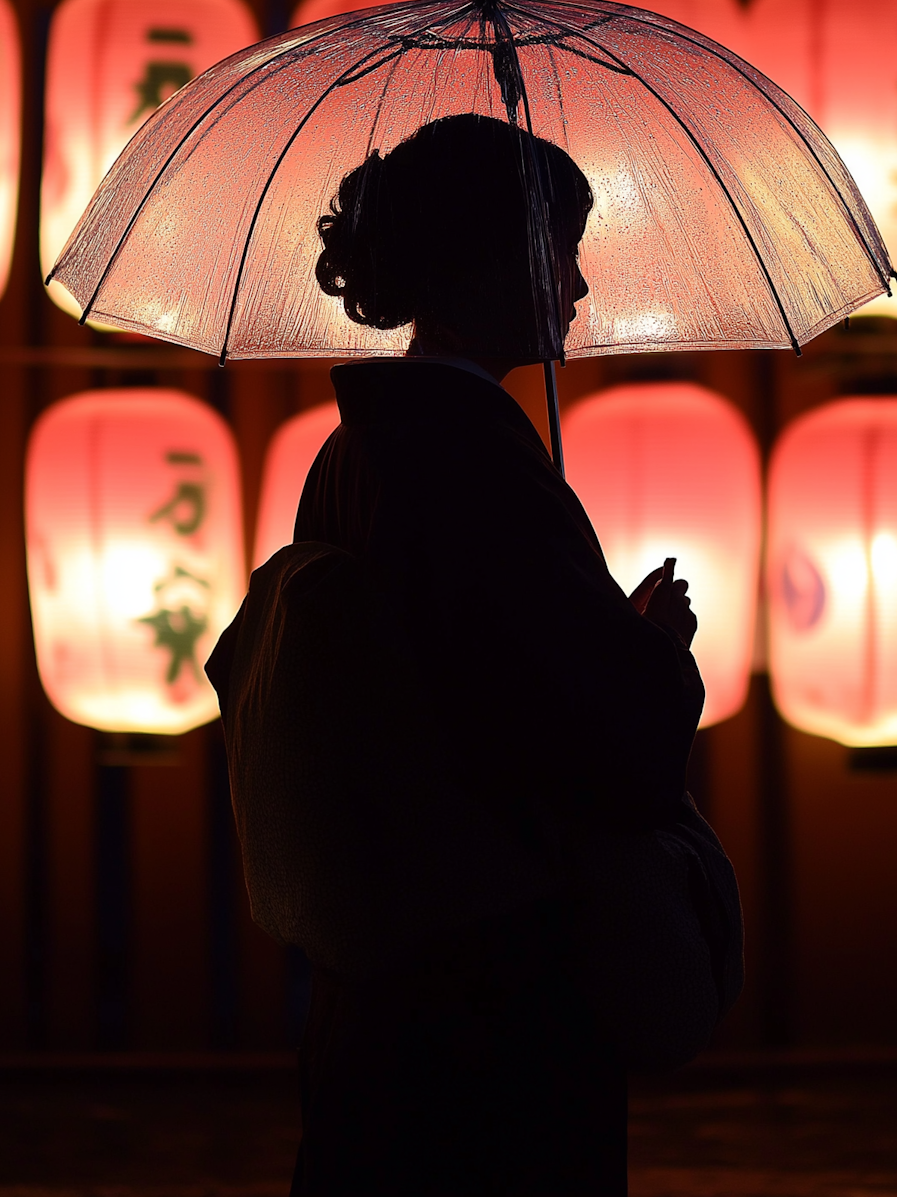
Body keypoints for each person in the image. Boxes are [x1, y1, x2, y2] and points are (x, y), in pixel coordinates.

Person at [287, 112, 705, 1196]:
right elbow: (578, 728)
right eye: (560, 250)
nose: (576, 288)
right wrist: (654, 652)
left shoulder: (369, 445)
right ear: (493, 256)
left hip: (390, 976)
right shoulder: (464, 461)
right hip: (487, 986)